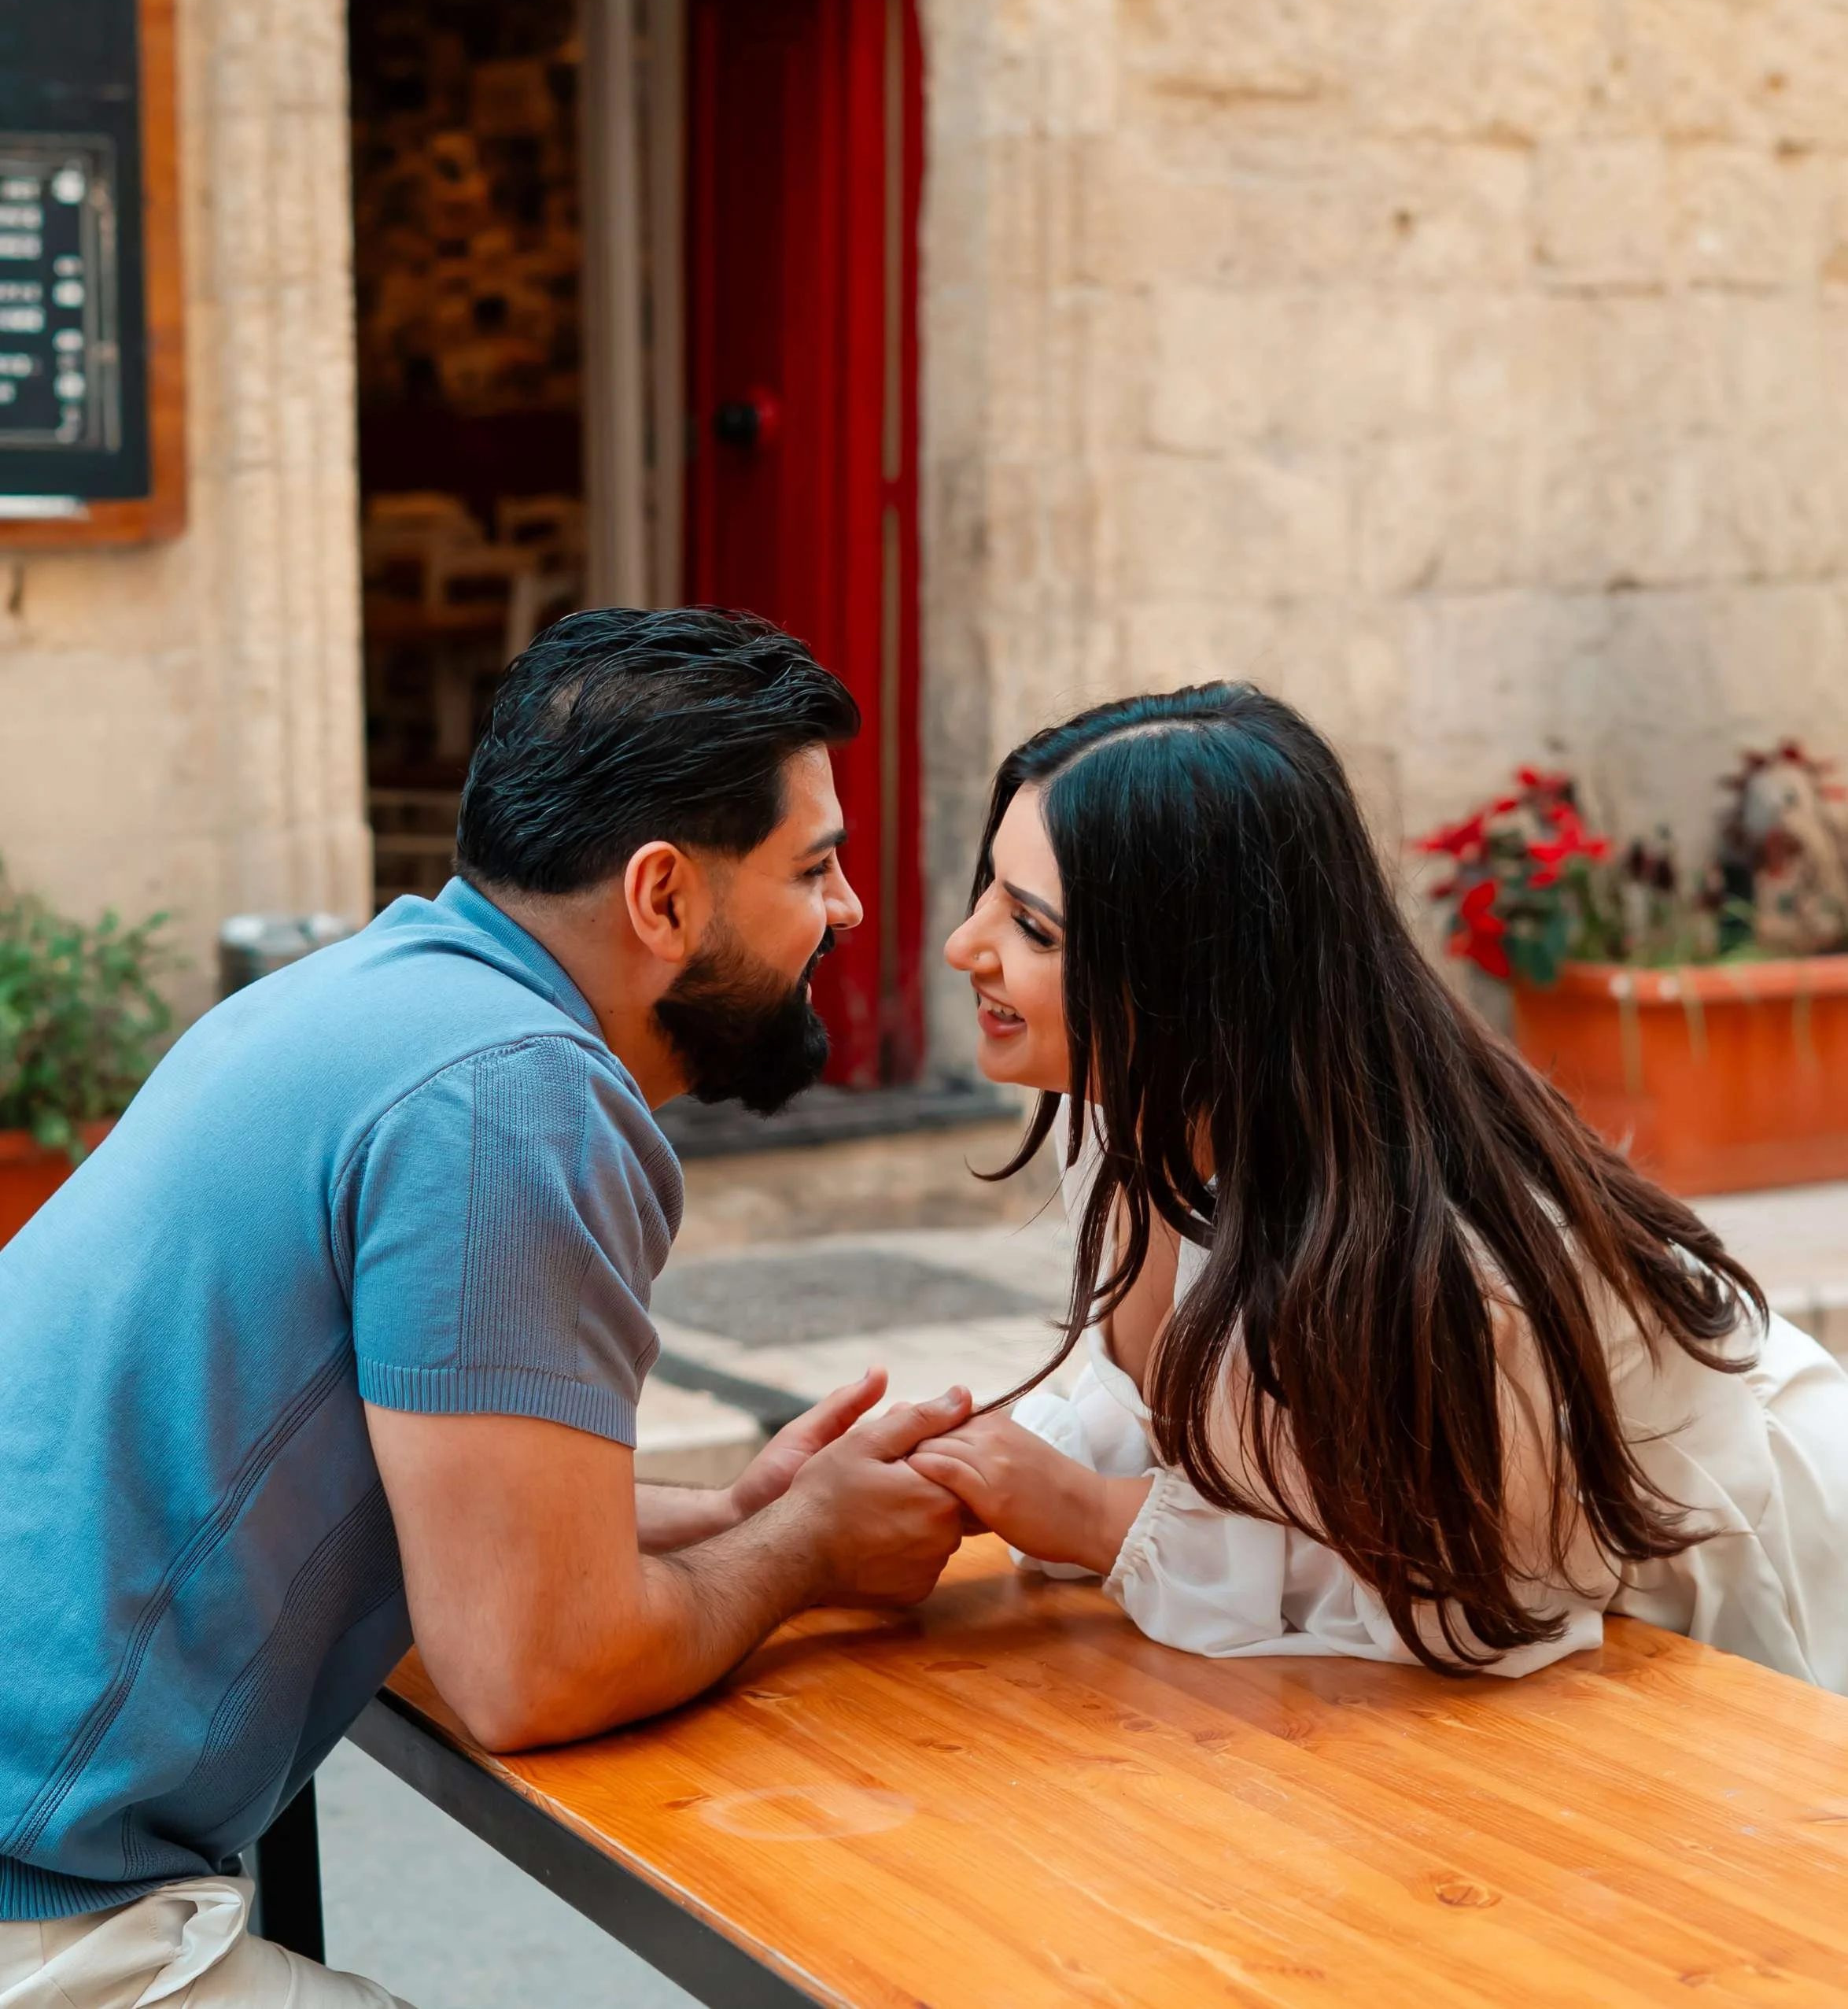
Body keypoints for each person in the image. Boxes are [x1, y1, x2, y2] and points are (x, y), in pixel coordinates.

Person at [0, 609, 970, 2007]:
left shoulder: (368, 995)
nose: (850, 913)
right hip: (47, 1908)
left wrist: (724, 1517)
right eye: (812, 868)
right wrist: (807, 1552)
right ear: (662, 898)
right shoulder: (511, 1091)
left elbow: (443, 1515)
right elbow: (532, 1668)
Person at [911, 682, 1848, 1689]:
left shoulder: (1437, 1268)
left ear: (1193, 982)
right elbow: (1198, 1427)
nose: (964, 947)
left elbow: (1462, 1601)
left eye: (1033, 930)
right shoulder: (1126, 1107)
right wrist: (979, 1461)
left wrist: (1096, 1519)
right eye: (988, 898)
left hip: (1729, 1603)